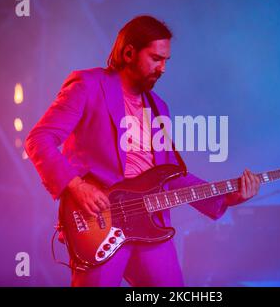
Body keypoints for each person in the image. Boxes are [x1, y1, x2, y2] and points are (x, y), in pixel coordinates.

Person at [25, 15, 260, 287]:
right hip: (100, 221)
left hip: (150, 223)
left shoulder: (159, 107)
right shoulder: (88, 85)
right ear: (129, 53)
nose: (163, 69)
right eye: (156, 59)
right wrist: (75, 186)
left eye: (166, 61)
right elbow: (39, 138)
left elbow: (171, 174)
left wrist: (224, 198)